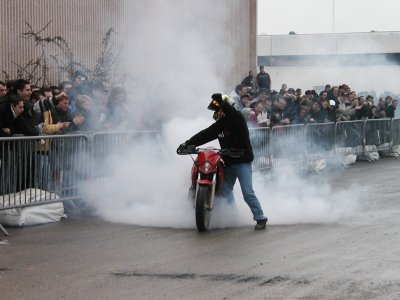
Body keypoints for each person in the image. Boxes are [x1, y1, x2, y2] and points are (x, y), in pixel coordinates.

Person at [177, 93, 268, 230]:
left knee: (247, 193)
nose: (216, 112)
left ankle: (260, 218)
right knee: (225, 192)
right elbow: (205, 134)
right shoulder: (220, 125)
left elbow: (231, 112)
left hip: (242, 163)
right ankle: (232, 217)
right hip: (229, 164)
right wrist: (187, 143)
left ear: (225, 107)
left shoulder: (237, 119)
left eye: (217, 109)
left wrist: (220, 101)